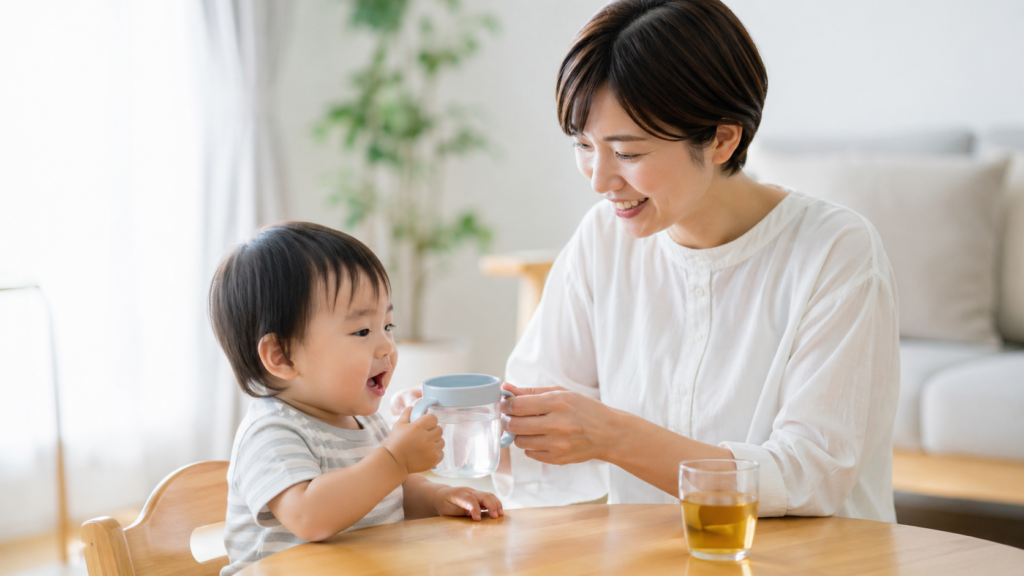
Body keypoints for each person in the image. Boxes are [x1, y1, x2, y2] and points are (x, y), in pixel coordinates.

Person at [396, 0, 900, 522]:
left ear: (723, 139)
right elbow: (551, 441)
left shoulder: (835, 250)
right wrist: (466, 429)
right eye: (584, 144)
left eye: (628, 153)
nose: (599, 179)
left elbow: (808, 478)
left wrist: (614, 434)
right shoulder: (602, 239)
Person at [209, 222, 503, 576]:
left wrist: (438, 498)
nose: (387, 347)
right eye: (362, 331)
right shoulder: (270, 432)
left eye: (387, 326)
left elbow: (391, 490)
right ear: (282, 356)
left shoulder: (365, 422)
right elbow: (309, 516)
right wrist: (394, 459)